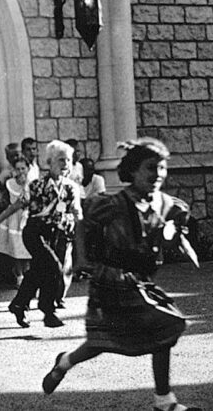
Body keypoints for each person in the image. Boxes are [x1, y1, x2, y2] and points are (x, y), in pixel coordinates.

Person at [41, 138, 202, 411]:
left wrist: (176, 235)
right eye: (150, 168)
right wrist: (80, 258)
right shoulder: (113, 203)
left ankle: (66, 362)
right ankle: (164, 401)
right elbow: (81, 220)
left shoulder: (164, 203)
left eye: (162, 168)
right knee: (119, 335)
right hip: (111, 278)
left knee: (114, 338)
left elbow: (177, 221)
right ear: (132, 171)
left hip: (139, 280)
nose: (158, 174)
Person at [8, 140, 82, 328]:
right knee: (54, 268)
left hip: (59, 234)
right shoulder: (36, 185)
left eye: (68, 160)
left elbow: (76, 212)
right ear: (49, 162)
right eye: (60, 160)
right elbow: (18, 205)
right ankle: (47, 311)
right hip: (36, 232)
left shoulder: (71, 187)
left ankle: (19, 304)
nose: (65, 164)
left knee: (40, 270)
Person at [0, 156, 33, 288]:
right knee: (15, 248)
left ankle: (28, 274)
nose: (21, 171)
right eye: (18, 169)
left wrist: (25, 184)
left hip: (26, 216)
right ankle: (19, 275)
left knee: (26, 248)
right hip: (12, 218)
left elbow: (26, 200)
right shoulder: (10, 183)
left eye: (23, 168)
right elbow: (6, 200)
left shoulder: (32, 183)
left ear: (28, 169)